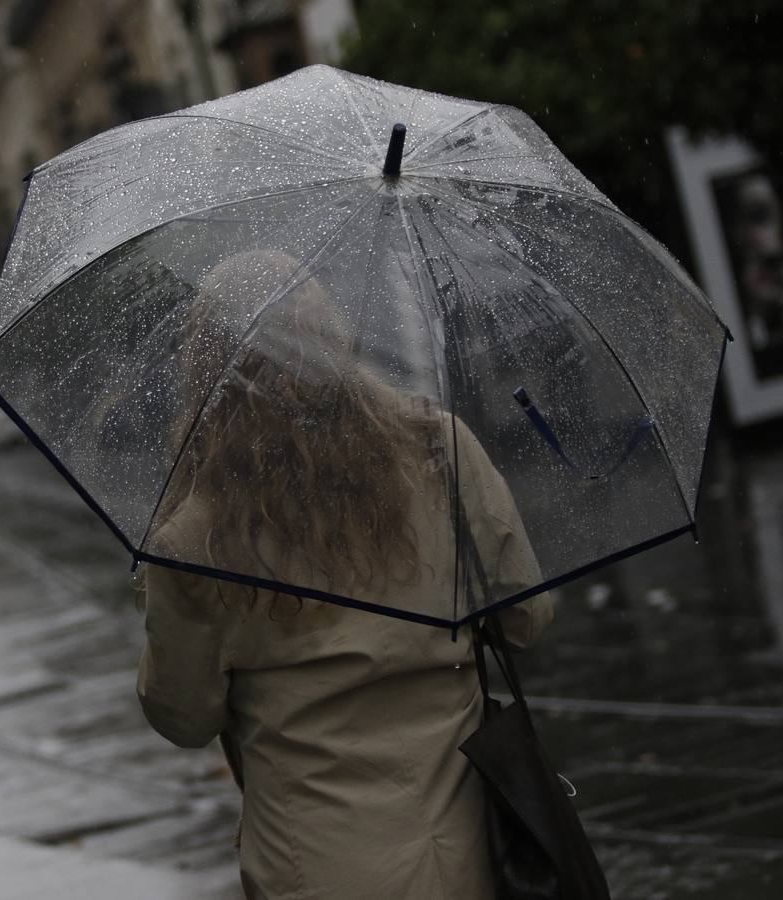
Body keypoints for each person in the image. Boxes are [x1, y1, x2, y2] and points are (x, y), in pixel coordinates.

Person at [134, 250, 553, 899]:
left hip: (313, 871)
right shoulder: (437, 451)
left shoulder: (190, 540)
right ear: (331, 336)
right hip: (473, 853)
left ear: (208, 370)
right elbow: (525, 617)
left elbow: (184, 717)